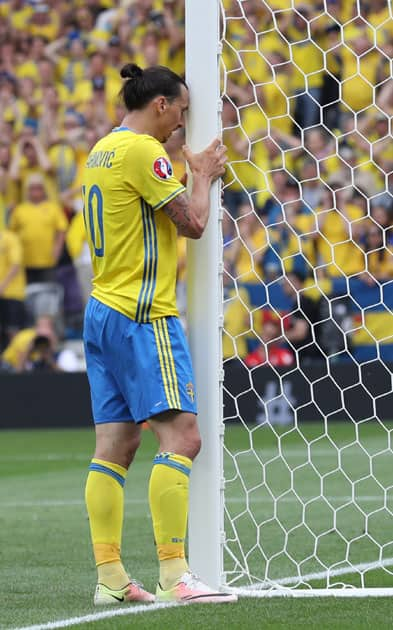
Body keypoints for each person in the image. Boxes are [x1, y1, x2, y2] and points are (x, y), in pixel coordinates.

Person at [82, 63, 237, 606]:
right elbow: (192, 224)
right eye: (182, 112)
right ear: (162, 105)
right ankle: (176, 577)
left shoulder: (101, 149)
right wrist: (201, 174)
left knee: (116, 446)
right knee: (183, 438)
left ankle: (110, 579)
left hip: (101, 308)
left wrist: (182, 168)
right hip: (143, 312)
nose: (181, 126)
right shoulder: (142, 152)